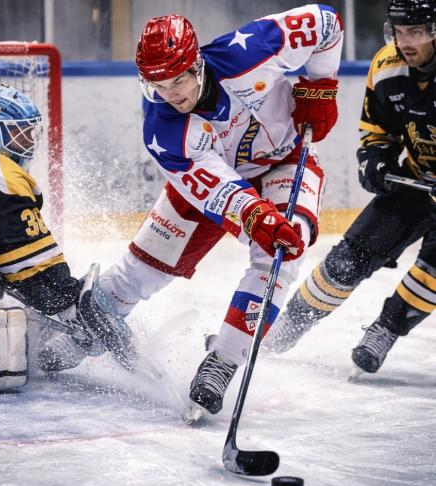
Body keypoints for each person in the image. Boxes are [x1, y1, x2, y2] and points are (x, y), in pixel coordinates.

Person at [45, 4, 343, 417]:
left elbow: (326, 22)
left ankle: (223, 360)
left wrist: (321, 83)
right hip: (216, 183)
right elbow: (219, 189)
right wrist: (254, 214)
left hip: (286, 161)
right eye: (157, 85)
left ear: (197, 64)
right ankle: (85, 328)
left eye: (177, 80)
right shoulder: (163, 130)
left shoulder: (251, 50)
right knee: (144, 268)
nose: (170, 94)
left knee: (284, 249)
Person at [267, 0, 436, 375]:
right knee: (348, 258)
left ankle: (386, 329)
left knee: (431, 273)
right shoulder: (388, 66)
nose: (406, 42)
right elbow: (378, 129)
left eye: (416, 32)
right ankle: (286, 327)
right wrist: (377, 158)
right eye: (399, 32)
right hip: (417, 178)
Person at [0, 83, 117, 396]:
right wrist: (76, 309)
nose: (27, 145)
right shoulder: (1, 173)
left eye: (31, 135)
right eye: (19, 135)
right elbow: (39, 276)